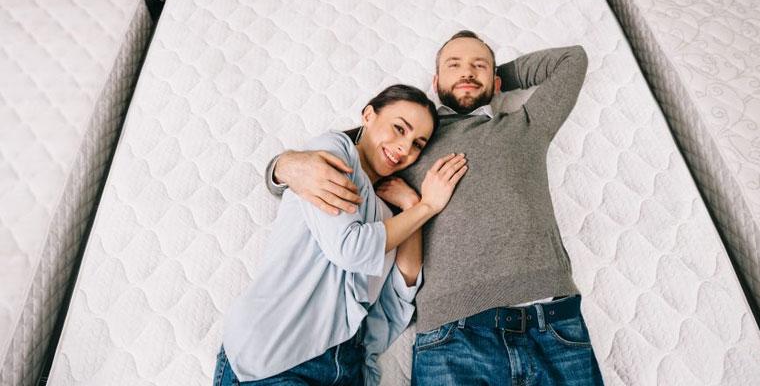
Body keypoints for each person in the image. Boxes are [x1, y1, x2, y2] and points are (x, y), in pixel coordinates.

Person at [268, 31, 604, 385]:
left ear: (496, 81)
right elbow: (337, 156)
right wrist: (281, 167)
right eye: (453, 65)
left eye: (479, 66)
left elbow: (573, 60)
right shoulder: (410, 141)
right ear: (435, 81)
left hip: (550, 320)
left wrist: (490, 79)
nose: (467, 72)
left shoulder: (526, 127)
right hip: (452, 332)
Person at [214, 84, 468, 385]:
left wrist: (412, 205)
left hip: (346, 368)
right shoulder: (334, 152)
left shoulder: (390, 216)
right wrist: (427, 207)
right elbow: (350, 249)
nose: (404, 148)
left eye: (417, 144)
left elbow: (403, 288)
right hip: (277, 356)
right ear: (368, 115)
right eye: (399, 128)